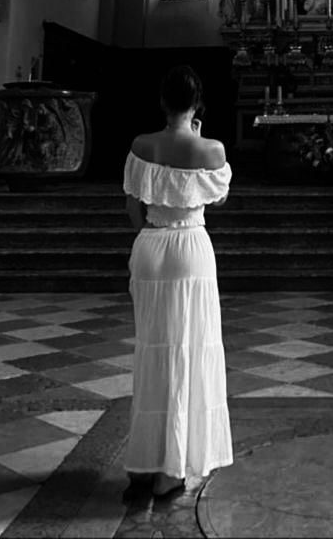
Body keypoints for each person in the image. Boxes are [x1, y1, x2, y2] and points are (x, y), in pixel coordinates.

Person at [122, 65, 233, 500]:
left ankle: (144, 463)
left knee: (153, 352)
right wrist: (199, 136)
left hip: (150, 247)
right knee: (189, 351)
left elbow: (133, 207)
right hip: (191, 249)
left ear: (163, 102)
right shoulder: (213, 149)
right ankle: (172, 468)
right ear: (197, 103)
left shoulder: (141, 145)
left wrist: (152, 235)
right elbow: (217, 197)